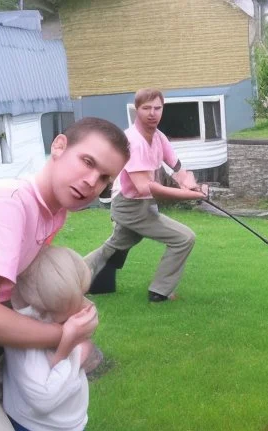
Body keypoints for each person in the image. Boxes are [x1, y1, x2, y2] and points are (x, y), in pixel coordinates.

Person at [0, 117, 129, 431]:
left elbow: (12, 290)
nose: (92, 181)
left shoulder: (52, 211)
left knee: (31, 429)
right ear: (58, 147)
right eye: (86, 162)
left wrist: (67, 314)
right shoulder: (9, 205)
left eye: (104, 177)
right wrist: (63, 337)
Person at [4, 245, 112, 431]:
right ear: (43, 307)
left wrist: (71, 349)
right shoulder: (22, 336)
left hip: (72, 427)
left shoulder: (63, 319)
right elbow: (43, 398)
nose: (85, 309)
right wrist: (73, 352)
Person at [85, 88, 208, 303]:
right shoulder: (133, 141)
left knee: (114, 247)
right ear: (137, 110)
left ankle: (69, 276)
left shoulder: (158, 137)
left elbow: (177, 166)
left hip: (139, 204)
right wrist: (187, 195)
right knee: (184, 238)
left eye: (157, 108)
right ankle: (159, 292)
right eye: (146, 108)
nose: (153, 113)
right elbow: (144, 187)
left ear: (163, 109)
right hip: (131, 206)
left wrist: (190, 182)